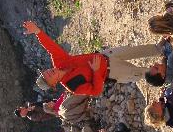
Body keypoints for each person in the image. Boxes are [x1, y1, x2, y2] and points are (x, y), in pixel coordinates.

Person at [23, 21, 162, 96]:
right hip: (112, 73)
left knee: (135, 50)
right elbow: (96, 91)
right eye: (48, 77)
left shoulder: (60, 62)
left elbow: (51, 47)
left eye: (46, 72)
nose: (49, 72)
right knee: (145, 73)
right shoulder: (73, 86)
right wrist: (95, 71)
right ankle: (166, 73)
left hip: (108, 55)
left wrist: (37, 32)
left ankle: (160, 48)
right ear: (53, 84)